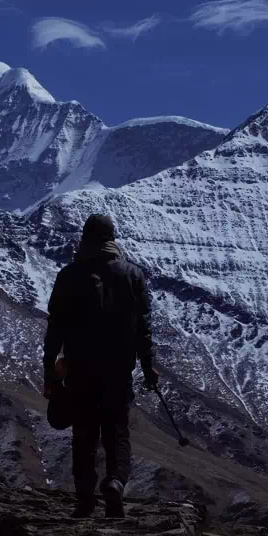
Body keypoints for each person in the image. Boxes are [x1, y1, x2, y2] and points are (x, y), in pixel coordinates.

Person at [43, 214, 156, 518]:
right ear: (112, 238)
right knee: (116, 430)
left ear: (84, 239)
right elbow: (143, 327)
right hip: (118, 369)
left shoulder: (69, 275)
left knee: (84, 433)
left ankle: (85, 498)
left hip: (79, 368)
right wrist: (148, 366)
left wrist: (49, 371)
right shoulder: (132, 275)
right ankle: (115, 482)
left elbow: (55, 328)